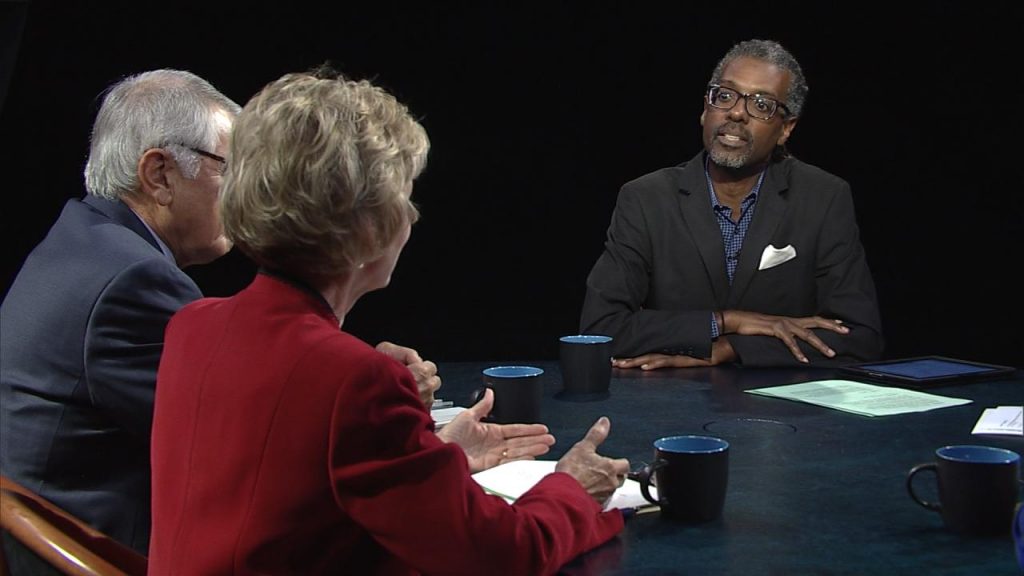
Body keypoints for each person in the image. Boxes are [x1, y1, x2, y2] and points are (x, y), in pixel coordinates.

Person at [148, 70, 630, 575]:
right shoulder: (356, 381)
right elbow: (501, 555)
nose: (412, 217)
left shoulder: (192, 326)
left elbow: (290, 496)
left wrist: (436, 457)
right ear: (367, 226)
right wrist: (572, 489)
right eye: (403, 196)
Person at [0, 69, 240, 559]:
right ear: (160, 175)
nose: (243, 195)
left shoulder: (82, 239)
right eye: (229, 169)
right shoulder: (134, 280)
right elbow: (239, 443)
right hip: (96, 556)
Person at [580, 39, 883, 370]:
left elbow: (859, 337)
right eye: (724, 96)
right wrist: (727, 321)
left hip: (784, 413)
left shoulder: (823, 197)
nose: (737, 113)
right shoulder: (646, 198)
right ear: (705, 109)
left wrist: (731, 348)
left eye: (762, 104)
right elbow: (600, 330)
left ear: (785, 129)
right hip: (670, 407)